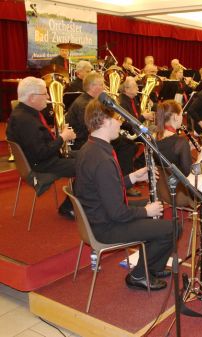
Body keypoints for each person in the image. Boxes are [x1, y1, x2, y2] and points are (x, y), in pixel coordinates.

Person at [75, 98, 173, 291]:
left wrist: (132, 178)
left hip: (98, 215)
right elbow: (118, 213)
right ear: (104, 121)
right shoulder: (102, 159)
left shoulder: (91, 147)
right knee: (172, 228)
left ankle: (153, 266)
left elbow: (105, 188)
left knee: (156, 206)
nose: (120, 123)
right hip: (106, 226)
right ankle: (138, 275)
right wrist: (145, 211)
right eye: (117, 118)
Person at [6, 77, 76, 218]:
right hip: (42, 165)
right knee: (88, 166)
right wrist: (63, 138)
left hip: (42, 160)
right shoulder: (26, 121)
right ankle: (69, 207)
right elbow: (41, 153)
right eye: (44, 94)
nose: (48, 97)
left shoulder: (24, 113)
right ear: (32, 97)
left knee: (88, 156)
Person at [66, 72, 105, 150]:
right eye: (101, 84)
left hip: (87, 139)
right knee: (124, 144)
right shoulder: (84, 104)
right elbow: (90, 127)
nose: (103, 87)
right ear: (92, 87)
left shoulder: (89, 100)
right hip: (81, 143)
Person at [155, 100, 192, 176]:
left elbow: (169, 154)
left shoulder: (154, 136)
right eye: (181, 115)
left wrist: (186, 150)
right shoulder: (181, 142)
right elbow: (187, 173)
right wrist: (199, 157)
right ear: (175, 116)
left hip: (160, 185)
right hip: (176, 186)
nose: (182, 118)